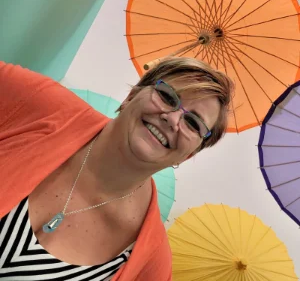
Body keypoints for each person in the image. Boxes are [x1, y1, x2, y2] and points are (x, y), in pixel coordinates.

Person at [0, 57, 234, 280]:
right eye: (167, 96)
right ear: (131, 96)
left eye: (193, 123)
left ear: (189, 154)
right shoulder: (42, 105)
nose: (172, 119)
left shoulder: (149, 264)